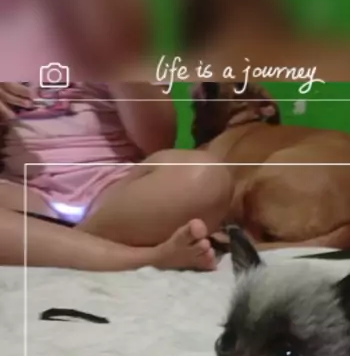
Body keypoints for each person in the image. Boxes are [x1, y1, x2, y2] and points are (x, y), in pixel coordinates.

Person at [0, 81, 233, 271]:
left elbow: (159, 143)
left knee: (204, 177)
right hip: (22, 194)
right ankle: (139, 258)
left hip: (115, 196)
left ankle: (38, 246)